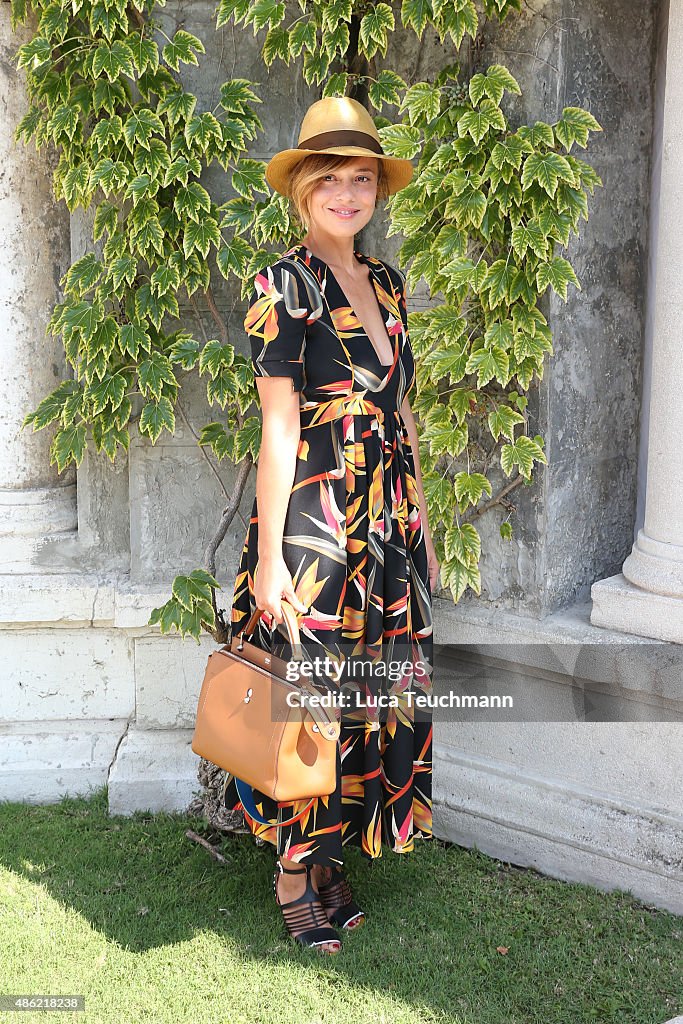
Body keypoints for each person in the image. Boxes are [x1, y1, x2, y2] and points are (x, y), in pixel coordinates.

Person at [222, 96, 439, 955]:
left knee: (367, 697)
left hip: (388, 525)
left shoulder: (385, 282)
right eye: (331, 179)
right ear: (302, 188)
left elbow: (402, 411)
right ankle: (290, 876)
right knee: (304, 701)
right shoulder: (282, 285)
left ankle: (329, 857)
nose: (347, 194)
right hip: (314, 527)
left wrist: (423, 524)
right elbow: (279, 428)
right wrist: (271, 556)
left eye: (361, 179)